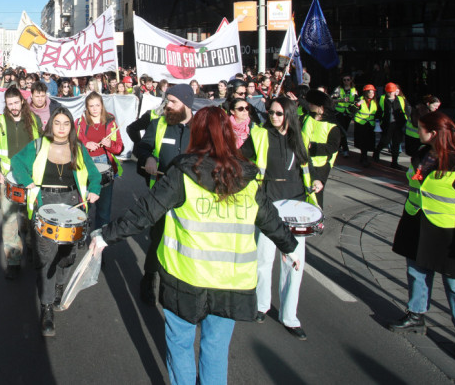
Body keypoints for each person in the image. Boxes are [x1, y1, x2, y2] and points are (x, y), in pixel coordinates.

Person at [90, 107, 299, 385]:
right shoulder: (247, 178)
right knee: (215, 350)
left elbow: (145, 213)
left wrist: (105, 236)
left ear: (196, 134)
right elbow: (271, 221)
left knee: (180, 346)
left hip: (185, 280)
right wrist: (291, 248)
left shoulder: (183, 173)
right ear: (229, 136)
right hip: (232, 284)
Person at [386, 111, 455, 366]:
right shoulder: (422, 154)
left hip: (450, 233)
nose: (418, 132)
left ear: (433, 132)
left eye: (421, 128)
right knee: (417, 273)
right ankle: (416, 315)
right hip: (418, 225)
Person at [10, 107, 100, 337]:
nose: (61, 128)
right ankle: (47, 306)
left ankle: (60, 283)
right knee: (45, 257)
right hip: (44, 203)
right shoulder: (38, 146)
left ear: (71, 127)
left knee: (67, 256)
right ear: (51, 125)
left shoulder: (78, 149)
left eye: (65, 124)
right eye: (57, 123)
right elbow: (17, 162)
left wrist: (94, 190)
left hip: (72, 204)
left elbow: (94, 174)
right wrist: (26, 180)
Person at [244, 95, 322, 339]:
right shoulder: (259, 135)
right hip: (268, 206)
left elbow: (309, 168)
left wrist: (317, 182)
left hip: (297, 207)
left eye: (278, 113)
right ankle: (261, 305)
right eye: (271, 112)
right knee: (263, 260)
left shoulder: (300, 138)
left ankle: (290, 316)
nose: (274, 117)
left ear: (289, 115)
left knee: (293, 264)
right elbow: (239, 158)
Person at [133, 84, 195, 305]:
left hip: (191, 196)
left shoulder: (200, 128)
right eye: (167, 100)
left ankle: (181, 282)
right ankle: (149, 277)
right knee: (158, 238)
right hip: (160, 193)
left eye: (173, 101)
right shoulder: (158, 124)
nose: (167, 105)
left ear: (186, 104)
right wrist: (147, 157)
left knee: (186, 241)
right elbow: (141, 148)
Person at [0, 87, 42, 279]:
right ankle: (13, 260)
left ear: (22, 101)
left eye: (16, 103)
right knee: (8, 221)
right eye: (10, 104)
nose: (14, 107)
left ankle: (32, 246)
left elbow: (43, 147)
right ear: (6, 104)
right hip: (7, 180)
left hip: (30, 181)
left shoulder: (34, 121)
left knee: (30, 218)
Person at [76, 92, 124, 231]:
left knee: (103, 208)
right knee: (85, 205)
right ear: (87, 107)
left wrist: (110, 143)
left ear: (102, 106)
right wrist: (85, 143)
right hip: (86, 164)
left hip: (105, 164)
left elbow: (119, 147)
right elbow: (73, 140)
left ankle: (99, 242)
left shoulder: (111, 122)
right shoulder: (80, 122)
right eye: (91, 106)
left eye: (98, 105)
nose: (95, 109)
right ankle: (79, 237)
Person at [301, 90, 340, 207]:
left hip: (321, 165)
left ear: (320, 107)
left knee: (316, 194)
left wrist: (313, 147)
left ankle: (317, 221)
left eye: (311, 103)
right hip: (303, 161)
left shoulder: (332, 125)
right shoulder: (307, 117)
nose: (309, 105)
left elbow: (333, 147)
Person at [375, 82, 410, 167]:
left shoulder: (401, 99)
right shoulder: (382, 99)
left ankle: (394, 162)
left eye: (392, 91)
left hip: (398, 124)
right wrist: (377, 122)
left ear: (395, 91)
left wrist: (406, 121)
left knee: (396, 143)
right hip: (387, 124)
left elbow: (407, 111)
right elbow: (378, 111)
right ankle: (377, 152)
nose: (391, 93)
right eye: (389, 92)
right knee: (385, 141)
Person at [333, 75, 358, 156]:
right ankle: (345, 150)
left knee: (344, 131)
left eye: (348, 80)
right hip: (339, 112)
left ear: (351, 80)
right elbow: (332, 99)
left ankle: (338, 146)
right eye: (344, 80)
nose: (346, 81)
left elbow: (356, 100)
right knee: (342, 130)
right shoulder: (339, 89)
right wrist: (341, 100)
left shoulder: (353, 90)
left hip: (348, 113)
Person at [353, 85, 379, 162]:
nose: (371, 94)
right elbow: (351, 109)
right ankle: (364, 157)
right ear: (365, 92)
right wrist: (357, 104)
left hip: (371, 124)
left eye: (373, 92)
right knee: (363, 142)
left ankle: (365, 157)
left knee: (370, 142)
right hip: (361, 124)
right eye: (369, 92)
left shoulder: (376, 101)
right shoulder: (360, 99)